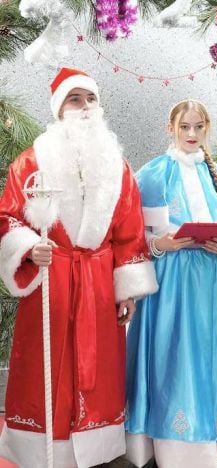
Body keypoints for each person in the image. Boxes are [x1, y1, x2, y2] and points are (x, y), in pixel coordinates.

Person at [0, 67, 158, 467]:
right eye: (75, 99)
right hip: (50, 281)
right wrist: (29, 247)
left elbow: (130, 231)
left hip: (99, 284)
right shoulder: (31, 162)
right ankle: (44, 449)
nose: (85, 106)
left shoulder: (116, 165)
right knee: (46, 364)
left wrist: (127, 291)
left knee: (99, 367)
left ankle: (96, 446)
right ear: (59, 109)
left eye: (91, 98)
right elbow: (7, 218)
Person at [124, 99, 217, 467]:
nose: (192, 133)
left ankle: (211, 441)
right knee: (171, 354)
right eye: (184, 126)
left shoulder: (216, 175)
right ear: (170, 128)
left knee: (208, 351)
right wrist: (161, 244)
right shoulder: (152, 174)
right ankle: (168, 443)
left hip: (208, 282)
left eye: (199, 127)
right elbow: (132, 237)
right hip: (168, 281)